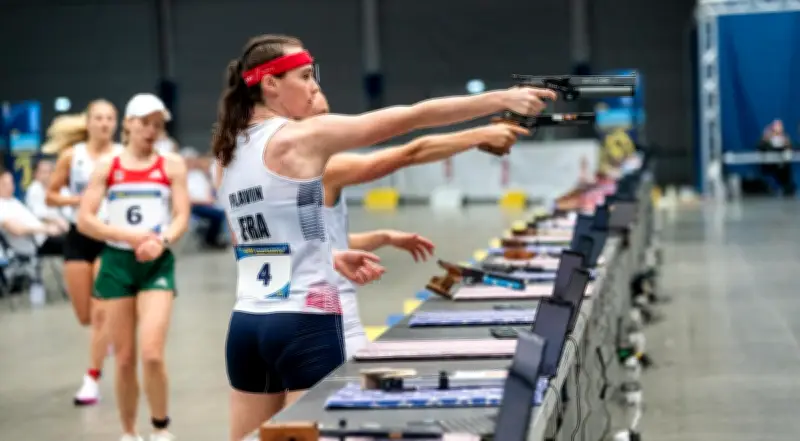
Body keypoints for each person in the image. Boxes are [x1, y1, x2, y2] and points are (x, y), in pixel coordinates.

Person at [213, 34, 554, 441]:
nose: (313, 86)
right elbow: (411, 118)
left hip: (247, 325)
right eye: (304, 76)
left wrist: (331, 256)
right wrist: (500, 99)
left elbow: (254, 242)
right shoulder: (299, 137)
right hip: (305, 321)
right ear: (270, 84)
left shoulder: (226, 151)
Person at [310, 92, 528, 356]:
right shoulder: (324, 169)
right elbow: (411, 152)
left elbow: (315, 243)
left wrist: (384, 237)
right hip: (323, 314)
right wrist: (478, 136)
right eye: (322, 119)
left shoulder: (279, 173)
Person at [77, 93, 189, 441]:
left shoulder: (171, 165)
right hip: (116, 263)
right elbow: (85, 219)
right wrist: (126, 235)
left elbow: (181, 214)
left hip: (155, 263)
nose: (151, 130)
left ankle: (160, 426)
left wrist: (162, 241)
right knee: (124, 359)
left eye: (158, 124)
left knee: (152, 353)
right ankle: (129, 431)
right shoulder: (108, 167)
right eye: (144, 123)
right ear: (128, 124)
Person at [43, 99, 122, 405]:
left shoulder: (121, 156)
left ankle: (92, 378)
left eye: (109, 118)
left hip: (110, 237)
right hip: (78, 237)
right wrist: (78, 200)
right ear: (88, 122)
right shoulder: (70, 156)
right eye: (98, 118)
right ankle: (105, 339)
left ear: (116, 124)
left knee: (101, 313)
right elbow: (50, 196)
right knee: (85, 316)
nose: (104, 123)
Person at [0, 171, 64, 256]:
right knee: (73, 244)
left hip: (44, 237)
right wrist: (46, 229)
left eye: (11, 182)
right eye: (5, 184)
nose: (10, 186)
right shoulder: (2, 205)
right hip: (36, 244)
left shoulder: (13, 201)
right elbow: (17, 230)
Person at [182, 147, 227, 248]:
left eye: (192, 161)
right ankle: (210, 240)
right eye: (189, 161)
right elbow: (187, 199)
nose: (192, 163)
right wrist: (206, 201)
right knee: (218, 215)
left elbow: (208, 189)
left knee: (223, 211)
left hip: (207, 203)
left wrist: (210, 199)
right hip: (195, 206)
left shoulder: (199, 174)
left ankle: (214, 238)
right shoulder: (183, 176)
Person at [24, 159, 70, 234]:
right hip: (44, 230)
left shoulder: (60, 187)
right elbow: (40, 214)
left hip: (64, 225)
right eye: (44, 172)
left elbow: (68, 209)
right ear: (36, 174)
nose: (48, 175)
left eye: (50, 171)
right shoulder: (34, 189)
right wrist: (58, 221)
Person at [758, 119, 795, 196]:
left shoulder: (785, 138)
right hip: (770, 166)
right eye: (777, 126)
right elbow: (760, 147)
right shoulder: (767, 138)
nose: (779, 128)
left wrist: (787, 144)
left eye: (780, 126)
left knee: (786, 174)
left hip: (783, 166)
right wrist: (765, 140)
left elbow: (791, 149)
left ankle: (786, 189)